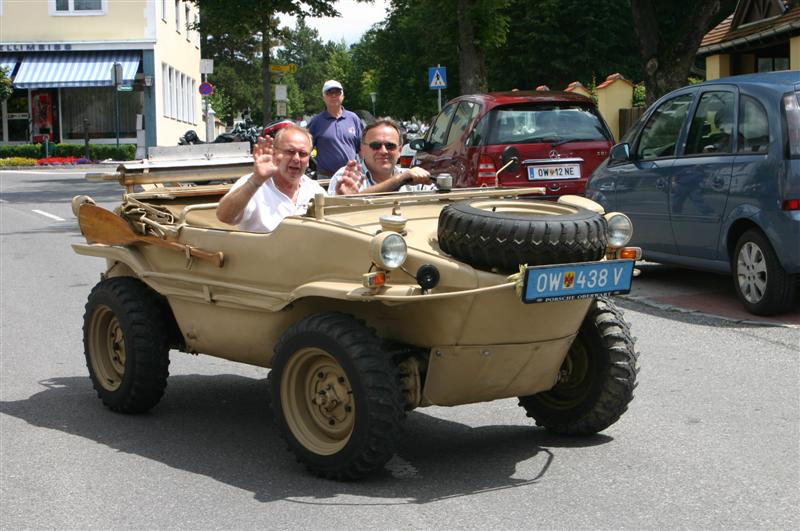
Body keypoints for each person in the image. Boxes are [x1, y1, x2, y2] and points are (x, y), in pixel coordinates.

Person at [216, 125, 325, 232]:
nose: (296, 159)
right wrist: (256, 180)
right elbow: (224, 216)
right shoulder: (253, 184)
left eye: (303, 154)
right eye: (290, 152)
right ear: (275, 153)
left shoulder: (313, 189)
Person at [328, 118, 434, 196]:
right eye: (375, 146)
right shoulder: (346, 177)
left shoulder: (416, 180)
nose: (383, 151)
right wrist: (398, 180)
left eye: (390, 146)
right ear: (362, 149)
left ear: (400, 150)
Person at [307, 80, 363, 179]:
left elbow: (362, 148)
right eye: (329, 93)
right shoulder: (316, 121)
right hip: (326, 177)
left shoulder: (353, 118)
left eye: (337, 92)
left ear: (343, 96)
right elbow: (306, 147)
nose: (333, 96)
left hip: (351, 175)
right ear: (323, 98)